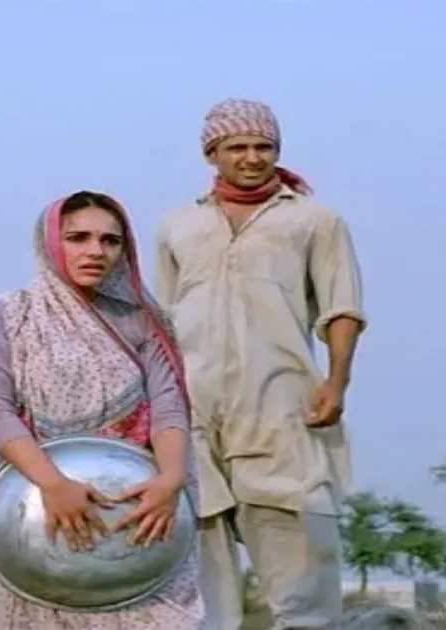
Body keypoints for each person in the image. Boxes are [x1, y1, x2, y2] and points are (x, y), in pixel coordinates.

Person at [154, 98, 367, 630]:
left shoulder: (313, 220)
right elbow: (162, 322)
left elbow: (342, 307)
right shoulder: (180, 226)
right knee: (202, 572)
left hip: (281, 406)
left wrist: (337, 381)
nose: (251, 158)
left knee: (301, 568)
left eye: (263, 147)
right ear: (212, 154)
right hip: (194, 410)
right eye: (237, 147)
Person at [0, 190, 205, 628]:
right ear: (50, 242)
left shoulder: (141, 320)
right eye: (78, 238)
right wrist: (54, 485)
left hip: (137, 513)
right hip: (36, 512)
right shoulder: (0, 317)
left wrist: (171, 480)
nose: (96, 251)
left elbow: (168, 407)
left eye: (110, 241)